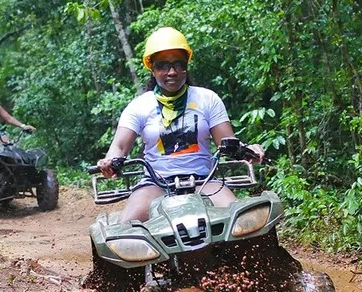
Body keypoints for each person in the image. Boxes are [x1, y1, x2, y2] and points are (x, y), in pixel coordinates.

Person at [97, 27, 264, 223]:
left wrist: (247, 150)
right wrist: (110, 161)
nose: (172, 72)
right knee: (124, 230)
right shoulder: (140, 106)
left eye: (179, 64)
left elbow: (228, 142)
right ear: (152, 68)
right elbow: (119, 146)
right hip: (155, 183)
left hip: (203, 180)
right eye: (163, 66)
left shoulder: (207, 99)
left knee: (240, 221)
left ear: (186, 65)